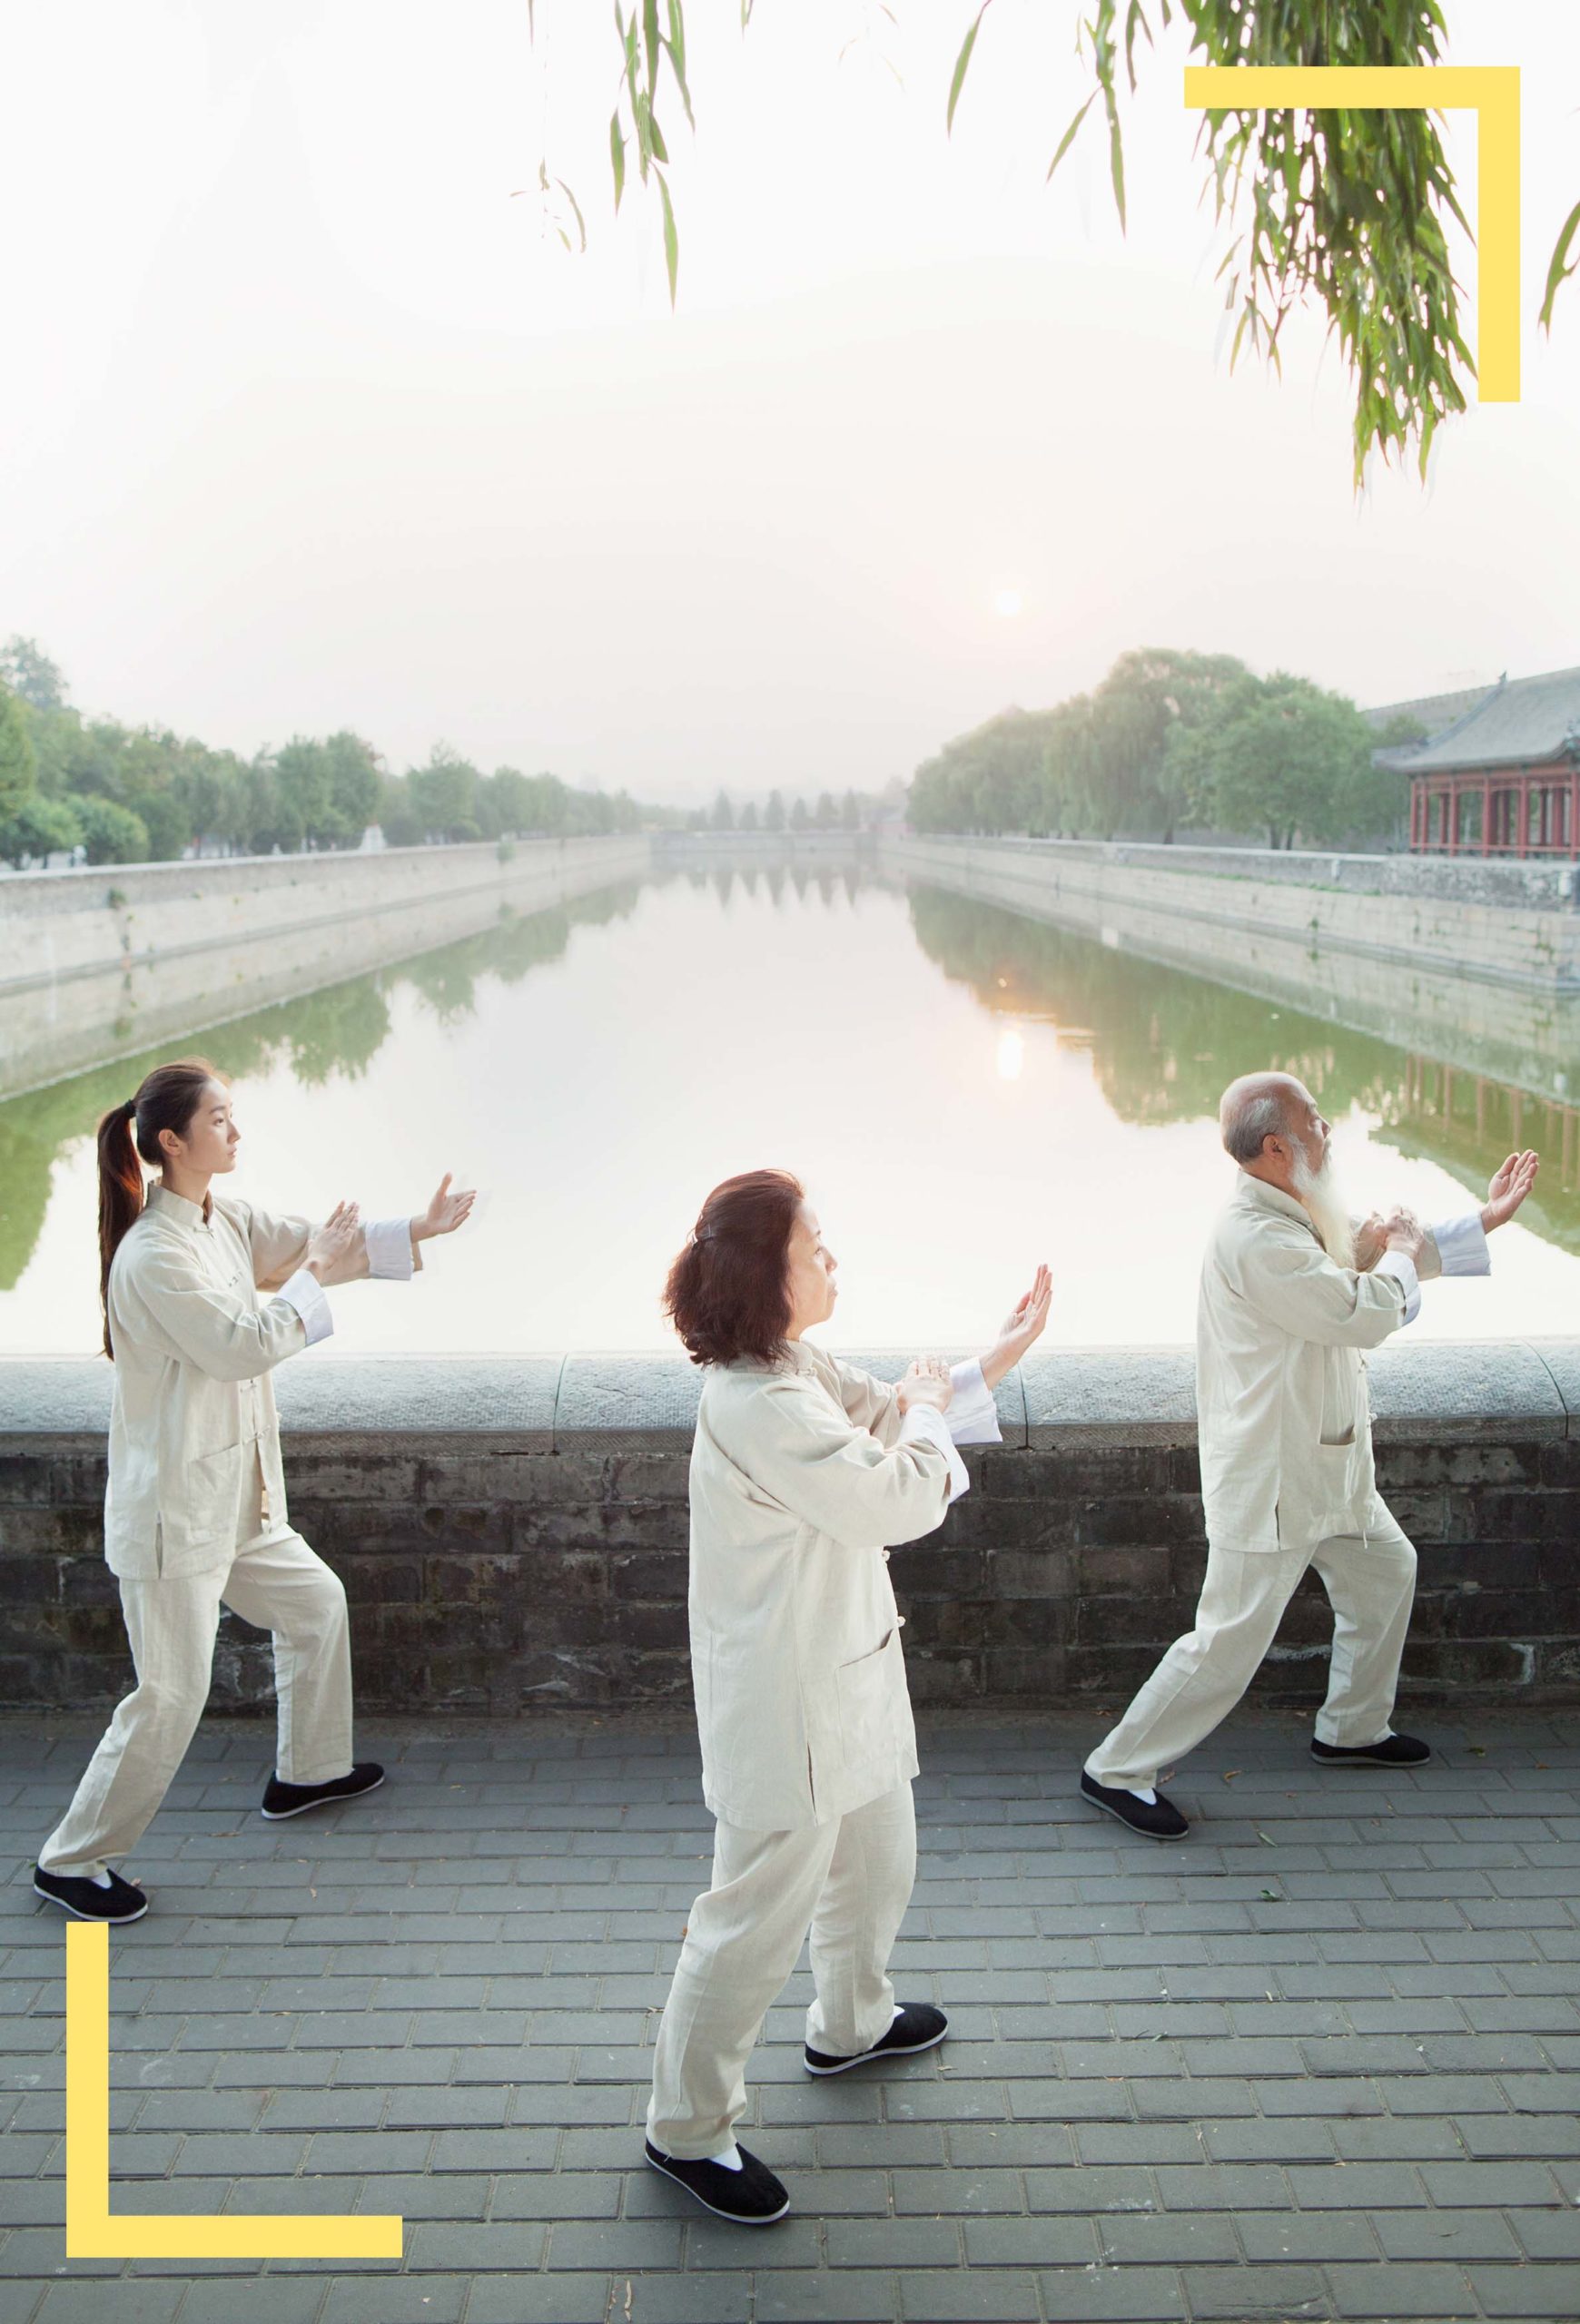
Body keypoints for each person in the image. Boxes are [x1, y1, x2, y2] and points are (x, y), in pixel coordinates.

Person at [643, 1167, 1052, 2224]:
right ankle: (686, 2127)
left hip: (843, 1670)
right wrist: (921, 1410)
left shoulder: (790, 1360)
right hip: (786, 1705)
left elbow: (883, 1409)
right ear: (766, 1277)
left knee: (878, 1860)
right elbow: (897, 1492)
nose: (833, 1259)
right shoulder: (758, 1400)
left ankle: (853, 2020)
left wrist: (993, 1356)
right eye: (815, 1248)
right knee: (748, 1922)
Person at [32, 1057, 476, 1925]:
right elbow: (241, 1344)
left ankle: (306, 1772)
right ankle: (73, 1859)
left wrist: (419, 1228)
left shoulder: (222, 1218)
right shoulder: (153, 1256)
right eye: (222, 1120)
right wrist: (316, 1270)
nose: (238, 1132)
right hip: (173, 1516)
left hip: (234, 1498)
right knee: (167, 1695)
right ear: (172, 1141)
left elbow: (318, 1245)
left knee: (316, 1605)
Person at [1081, 1071, 1539, 1842]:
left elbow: (1363, 1242)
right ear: (1275, 1146)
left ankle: (1352, 1729)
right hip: (1276, 1479)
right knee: (1226, 1642)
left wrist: (1482, 1221)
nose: (1329, 1129)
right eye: (1316, 1120)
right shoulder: (1256, 1237)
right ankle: (1116, 1769)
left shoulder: (1291, 1205)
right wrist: (1396, 1251)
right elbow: (1359, 1310)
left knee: (1387, 1572)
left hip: (1327, 1467)